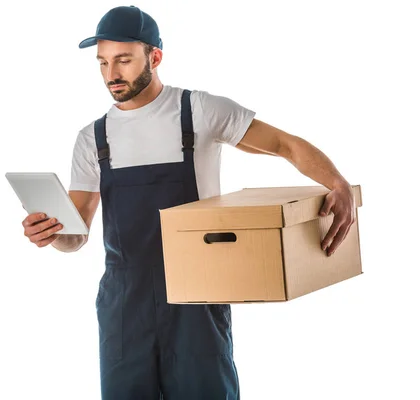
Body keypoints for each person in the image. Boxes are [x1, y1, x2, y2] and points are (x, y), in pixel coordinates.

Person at [21, 5, 356, 400]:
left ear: (155, 57)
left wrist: (337, 183)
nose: (111, 74)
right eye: (103, 62)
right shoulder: (93, 137)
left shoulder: (198, 111)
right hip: (125, 304)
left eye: (124, 60)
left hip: (198, 294)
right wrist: (52, 234)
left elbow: (284, 144)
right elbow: (76, 235)